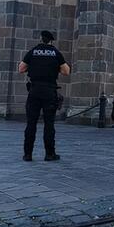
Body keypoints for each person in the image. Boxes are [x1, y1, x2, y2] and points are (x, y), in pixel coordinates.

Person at [18, 30, 70, 161]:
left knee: (31, 123)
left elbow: (21, 69)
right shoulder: (55, 53)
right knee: (49, 124)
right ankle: (49, 154)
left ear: (41, 39)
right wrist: (55, 68)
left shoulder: (33, 51)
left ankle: (28, 154)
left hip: (34, 90)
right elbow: (66, 71)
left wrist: (33, 67)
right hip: (49, 91)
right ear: (51, 41)